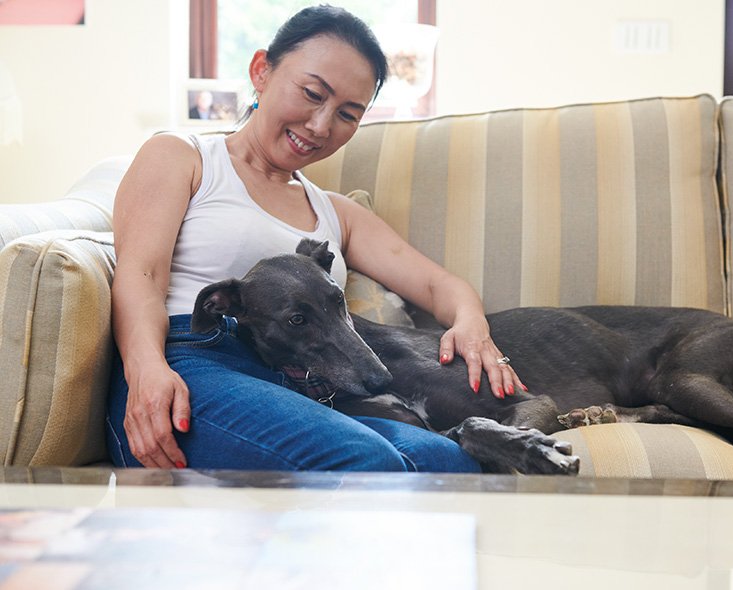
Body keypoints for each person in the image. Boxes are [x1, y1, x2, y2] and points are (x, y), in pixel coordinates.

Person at [106, 5, 525, 473]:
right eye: (311, 93)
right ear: (261, 70)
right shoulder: (185, 158)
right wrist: (145, 370)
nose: (321, 126)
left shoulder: (335, 211)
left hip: (306, 382)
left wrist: (471, 323)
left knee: (448, 461)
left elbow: (436, 286)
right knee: (366, 462)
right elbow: (140, 273)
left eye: (347, 114)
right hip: (195, 364)